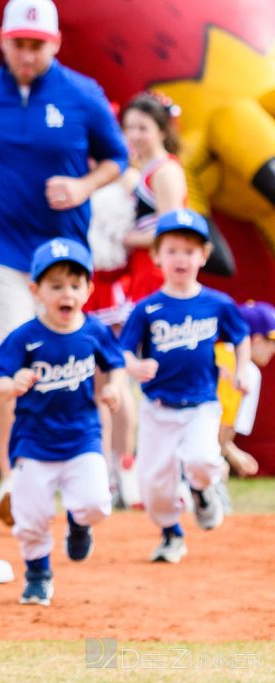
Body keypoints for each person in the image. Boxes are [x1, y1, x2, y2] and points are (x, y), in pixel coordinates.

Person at [0, 0, 128, 524]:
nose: (27, 54)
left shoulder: (82, 94)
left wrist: (83, 185)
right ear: (3, 40)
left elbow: (117, 158)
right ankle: (11, 477)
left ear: (54, 44)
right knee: (5, 355)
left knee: (76, 357)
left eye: (36, 44)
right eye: (18, 43)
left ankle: (90, 467)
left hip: (63, 251)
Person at [0, 238, 124, 606]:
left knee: (97, 503)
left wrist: (115, 388)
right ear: (36, 290)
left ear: (89, 289)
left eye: (75, 285)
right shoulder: (26, 337)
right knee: (30, 517)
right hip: (33, 441)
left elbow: (117, 366)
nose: (68, 293)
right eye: (56, 285)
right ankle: (38, 573)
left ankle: (79, 523)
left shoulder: (94, 331)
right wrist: (11, 385)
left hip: (83, 436)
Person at [119, 209, 249, 563]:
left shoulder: (216, 303)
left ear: (204, 256)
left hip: (201, 404)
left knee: (203, 459)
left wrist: (242, 370)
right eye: (172, 250)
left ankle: (201, 490)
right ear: (156, 255)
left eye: (190, 251)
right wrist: (135, 366)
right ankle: (170, 534)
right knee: (154, 486)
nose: (181, 258)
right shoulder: (147, 309)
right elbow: (124, 352)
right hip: (158, 409)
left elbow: (240, 337)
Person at [120, 92, 187, 304]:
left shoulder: (166, 171)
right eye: (129, 127)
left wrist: (122, 238)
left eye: (142, 128)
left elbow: (170, 230)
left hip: (157, 269)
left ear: (162, 131)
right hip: (141, 267)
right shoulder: (142, 169)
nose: (134, 135)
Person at [215, 301, 275, 478]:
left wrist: (230, 451)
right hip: (183, 454)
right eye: (270, 341)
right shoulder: (244, 370)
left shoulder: (245, 369)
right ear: (254, 338)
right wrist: (230, 453)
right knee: (218, 471)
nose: (273, 349)